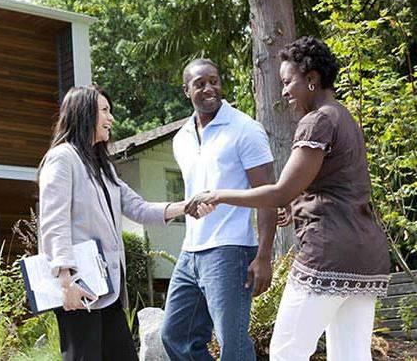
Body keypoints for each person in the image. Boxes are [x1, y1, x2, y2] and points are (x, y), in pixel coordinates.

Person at [187, 37, 391, 361]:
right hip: (365, 255)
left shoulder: (317, 121)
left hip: (329, 253)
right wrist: (297, 207)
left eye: (287, 81)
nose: (283, 91)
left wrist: (219, 194)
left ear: (311, 79)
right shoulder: (344, 117)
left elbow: (280, 190)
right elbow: (337, 187)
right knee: (351, 355)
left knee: (285, 352)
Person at [38, 85, 213, 361]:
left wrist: (185, 207)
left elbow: (139, 208)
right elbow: (53, 221)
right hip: (79, 287)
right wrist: (66, 281)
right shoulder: (63, 158)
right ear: (85, 113)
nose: (111, 119)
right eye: (105, 111)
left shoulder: (101, 166)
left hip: (106, 288)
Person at [160, 58, 277, 361]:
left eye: (214, 80)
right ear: (187, 91)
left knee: (233, 344)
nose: (209, 87)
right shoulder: (180, 138)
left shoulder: (245, 129)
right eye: (200, 83)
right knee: (175, 334)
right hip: (191, 250)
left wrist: (264, 256)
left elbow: (267, 196)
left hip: (231, 249)